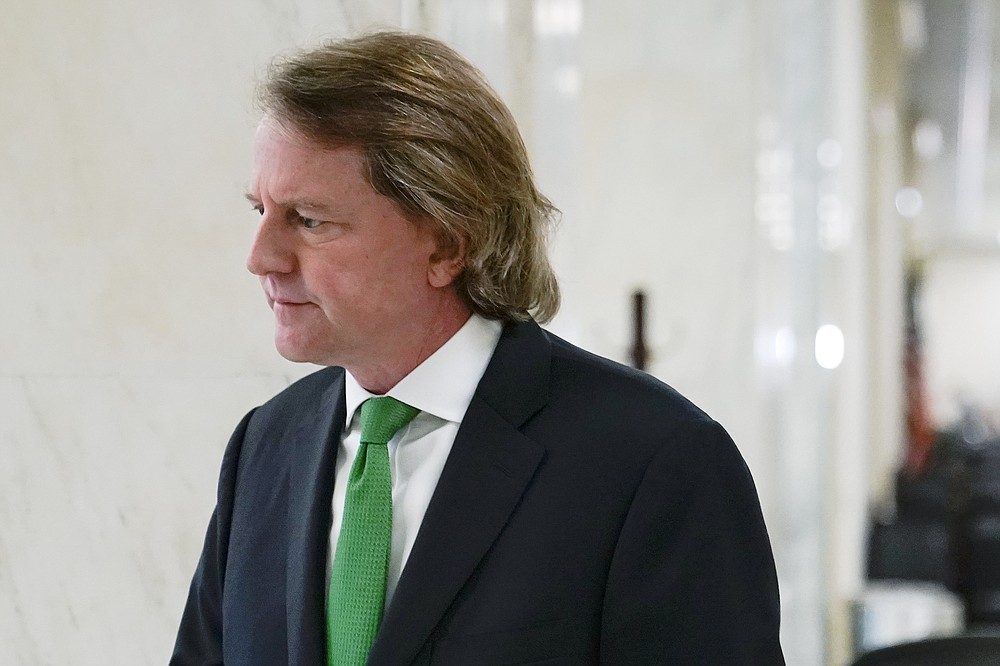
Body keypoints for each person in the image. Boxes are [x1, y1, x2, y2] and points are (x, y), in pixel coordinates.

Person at [171, 31, 784, 665]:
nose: (260, 258)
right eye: (259, 211)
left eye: (309, 219)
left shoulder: (655, 461)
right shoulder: (265, 448)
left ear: (445, 245)